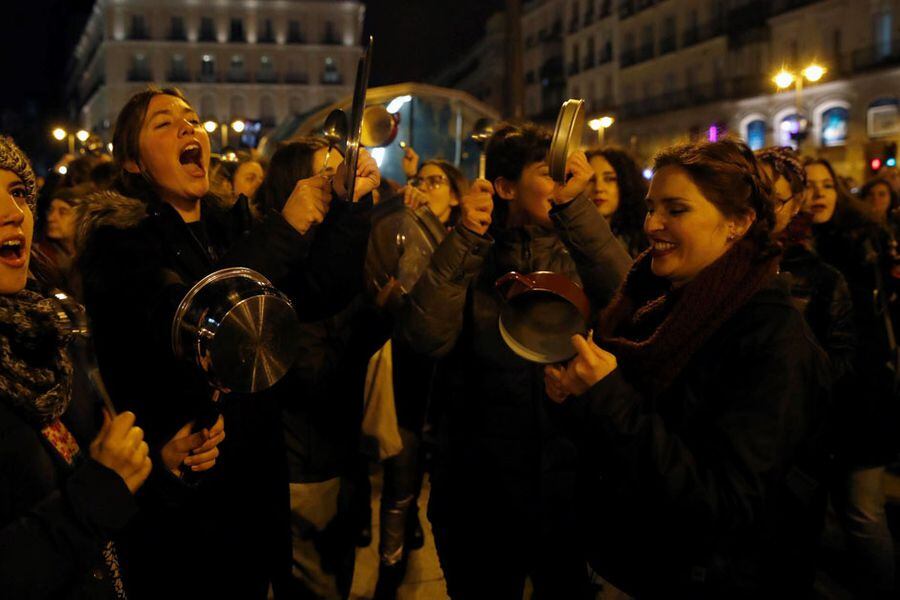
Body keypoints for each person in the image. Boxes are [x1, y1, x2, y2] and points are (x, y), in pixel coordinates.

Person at [76, 87, 377, 598]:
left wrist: (350, 204)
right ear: (132, 162)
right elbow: (196, 315)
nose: (188, 128)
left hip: (256, 474)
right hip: (183, 490)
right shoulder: (121, 242)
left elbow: (318, 292)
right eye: (164, 123)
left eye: (192, 118)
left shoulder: (232, 225)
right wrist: (284, 229)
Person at [545, 138, 830, 597]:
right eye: (651, 207)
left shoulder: (772, 335)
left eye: (676, 210)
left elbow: (726, 505)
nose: (652, 224)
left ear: (737, 223)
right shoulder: (655, 299)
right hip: (631, 563)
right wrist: (574, 396)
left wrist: (607, 395)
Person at [400, 123, 631, 598]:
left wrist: (577, 210)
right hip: (477, 489)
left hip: (566, 488)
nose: (564, 183)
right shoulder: (467, 250)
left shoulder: (581, 249)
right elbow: (426, 335)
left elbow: (635, 306)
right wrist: (464, 238)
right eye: (550, 174)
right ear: (505, 186)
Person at [255, 136, 387, 599]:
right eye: (328, 175)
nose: (339, 184)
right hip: (303, 467)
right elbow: (307, 372)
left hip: (336, 453)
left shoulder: (338, 252)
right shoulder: (286, 267)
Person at [371, 158, 468, 599]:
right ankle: (389, 570)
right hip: (410, 372)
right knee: (401, 474)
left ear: (457, 192)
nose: (426, 187)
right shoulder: (407, 226)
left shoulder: (471, 236)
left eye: (437, 181)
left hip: (454, 381)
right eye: (421, 180)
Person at [806, 157, 899, 597]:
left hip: (865, 401)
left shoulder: (863, 244)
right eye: (808, 185)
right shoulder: (796, 255)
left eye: (827, 185)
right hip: (820, 405)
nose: (819, 193)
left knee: (863, 512)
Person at [756, 147, 855, 381]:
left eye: (776, 200)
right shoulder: (719, 256)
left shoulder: (827, 273)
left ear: (796, 203)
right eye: (755, 197)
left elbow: (840, 359)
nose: (761, 210)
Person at [585, 146, 649, 256]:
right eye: (591, 180)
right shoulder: (568, 239)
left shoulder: (644, 242)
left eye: (609, 179)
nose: (598, 188)